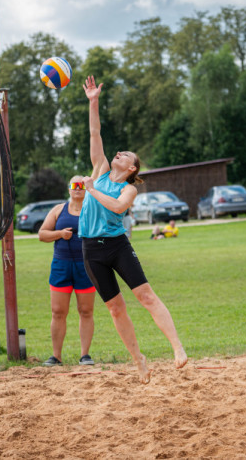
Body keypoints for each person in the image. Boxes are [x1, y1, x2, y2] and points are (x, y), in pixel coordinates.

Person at [79, 75, 187, 384]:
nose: (119, 152)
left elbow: (116, 208)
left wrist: (91, 189)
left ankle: (177, 349)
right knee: (115, 308)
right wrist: (93, 101)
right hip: (91, 249)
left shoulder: (129, 189)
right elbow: (94, 131)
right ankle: (139, 360)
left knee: (146, 296)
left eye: (126, 154)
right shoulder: (99, 169)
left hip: (117, 246)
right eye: (120, 151)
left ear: (132, 168)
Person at [38, 175, 96, 367]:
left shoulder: (93, 208)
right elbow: (42, 234)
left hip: (86, 267)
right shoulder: (58, 210)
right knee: (57, 312)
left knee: (86, 311)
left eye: (81, 185)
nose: (78, 188)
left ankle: (85, 355)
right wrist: (60, 234)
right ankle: (56, 356)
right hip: (61, 266)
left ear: (87, 188)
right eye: (74, 185)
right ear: (69, 188)